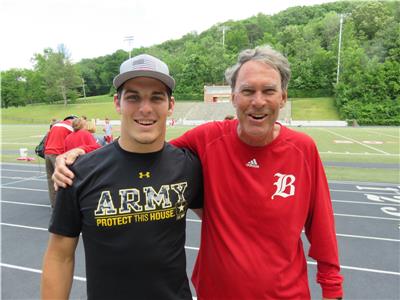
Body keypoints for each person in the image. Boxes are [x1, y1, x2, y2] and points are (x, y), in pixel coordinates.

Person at [52, 46, 344, 299]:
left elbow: (322, 229)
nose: (257, 101)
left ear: (282, 97)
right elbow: (141, 152)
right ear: (232, 97)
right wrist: (81, 158)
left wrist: (332, 290)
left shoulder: (303, 149)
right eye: (247, 91)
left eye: (268, 90)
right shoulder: (207, 139)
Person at [41, 54, 203, 300]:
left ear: (170, 105)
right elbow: (60, 255)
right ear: (118, 103)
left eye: (156, 97)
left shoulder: (189, 166)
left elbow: (221, 225)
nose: (145, 108)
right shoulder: (78, 172)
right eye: (133, 97)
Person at [43, 115, 77, 207]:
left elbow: (46, 140)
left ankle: (54, 204)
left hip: (47, 153)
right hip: (58, 154)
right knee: (62, 179)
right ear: (73, 120)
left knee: (51, 179)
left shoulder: (55, 126)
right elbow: (73, 141)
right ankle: (64, 205)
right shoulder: (71, 127)